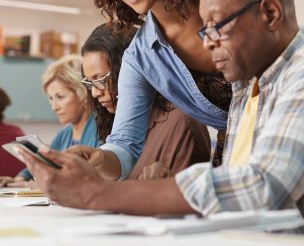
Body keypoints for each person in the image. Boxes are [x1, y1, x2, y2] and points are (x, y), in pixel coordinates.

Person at [20, 0, 304, 226]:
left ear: (270, 14)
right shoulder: (247, 89)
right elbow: (234, 193)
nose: (207, 44)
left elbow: (260, 189)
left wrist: (97, 193)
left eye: (217, 28)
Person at [75, 0, 231, 180]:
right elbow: (124, 145)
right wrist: (98, 158)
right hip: (236, 153)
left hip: (290, 124)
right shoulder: (141, 59)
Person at [80, 23, 211, 180]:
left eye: (100, 79)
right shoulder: (114, 124)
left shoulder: (180, 122)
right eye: (89, 83)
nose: (95, 92)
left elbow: (184, 198)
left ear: (129, 70)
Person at [0, 55, 98, 187]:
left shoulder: (102, 128)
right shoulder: (64, 133)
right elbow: (44, 162)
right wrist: (17, 179)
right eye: (50, 98)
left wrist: (29, 185)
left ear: (83, 93)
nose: (54, 107)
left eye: (60, 97)